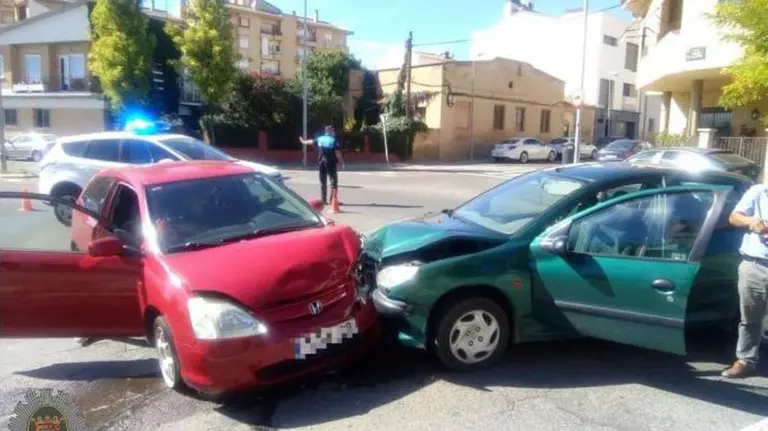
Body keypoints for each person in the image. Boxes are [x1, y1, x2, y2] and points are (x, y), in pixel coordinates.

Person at [723, 184, 768, 378]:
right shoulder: (758, 192)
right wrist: (752, 222)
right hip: (754, 265)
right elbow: (734, 217)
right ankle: (746, 360)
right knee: (750, 318)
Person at [299, 126, 345, 205]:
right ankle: (333, 201)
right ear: (330, 131)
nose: (334, 133)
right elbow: (338, 154)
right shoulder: (333, 140)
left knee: (323, 182)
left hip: (321, 163)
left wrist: (303, 141)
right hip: (331, 163)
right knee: (334, 182)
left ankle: (323, 200)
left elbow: (311, 141)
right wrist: (342, 162)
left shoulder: (320, 139)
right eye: (333, 131)